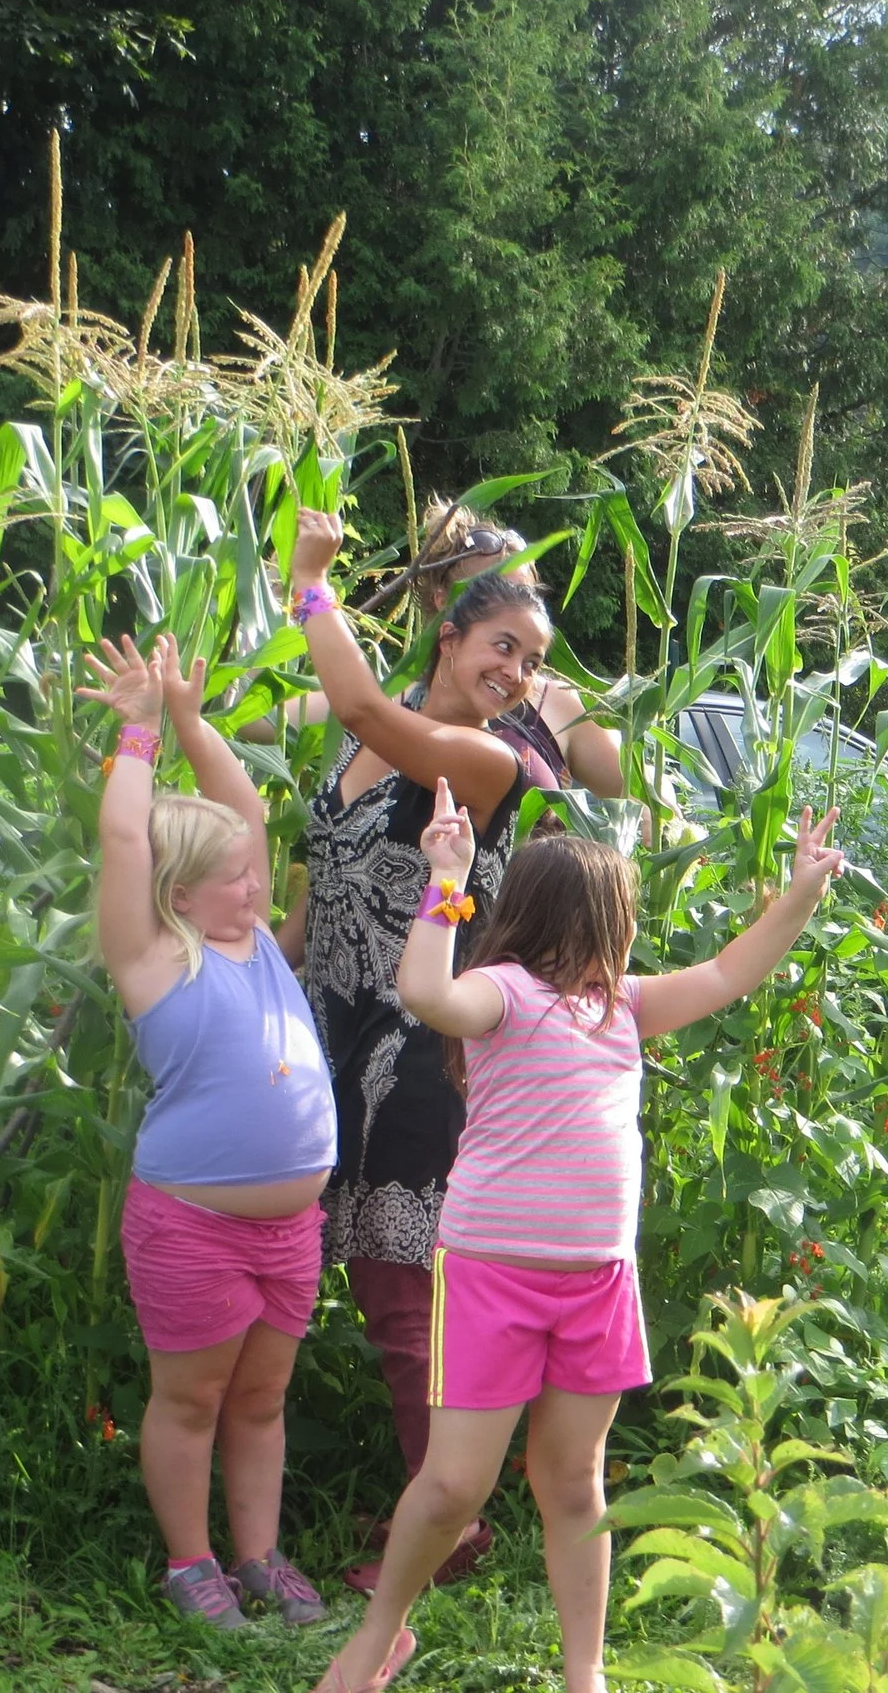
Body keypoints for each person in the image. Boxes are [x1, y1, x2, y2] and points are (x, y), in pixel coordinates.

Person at [309, 786, 846, 1693]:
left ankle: (584, 1672)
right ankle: (377, 1638)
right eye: (622, 916)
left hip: (596, 1283)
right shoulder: (506, 996)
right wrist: (446, 880)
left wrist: (796, 898)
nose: (628, 937)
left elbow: (728, 973)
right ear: (585, 917)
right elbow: (425, 991)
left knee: (573, 1483)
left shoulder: (626, 1007)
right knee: (451, 1488)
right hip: (491, 1279)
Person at [281, 504, 542, 1591]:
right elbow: (308, 912)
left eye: (534, 662)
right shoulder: (358, 748)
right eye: (503, 649)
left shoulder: (486, 764)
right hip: (325, 1049)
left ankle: (447, 1527)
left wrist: (309, 582)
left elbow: (349, 692)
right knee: (374, 1293)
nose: (519, 674)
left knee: (404, 1299)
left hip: (417, 1056)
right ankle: (443, 1505)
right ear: (449, 635)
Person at [76, 633, 337, 1631]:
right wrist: (141, 736)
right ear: (179, 893)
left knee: (261, 1401)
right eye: (231, 877)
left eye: (254, 873)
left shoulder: (263, 949)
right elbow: (125, 843)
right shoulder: (151, 959)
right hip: (191, 1225)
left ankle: (259, 1557)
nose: (255, 885)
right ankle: (191, 1566)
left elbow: (243, 807)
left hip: (289, 1231)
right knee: (191, 1402)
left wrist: (192, 717)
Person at [406, 498, 625, 798]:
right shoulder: (392, 704)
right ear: (443, 603)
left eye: (525, 596)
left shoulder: (557, 704)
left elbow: (642, 790)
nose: (516, 612)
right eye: (490, 595)